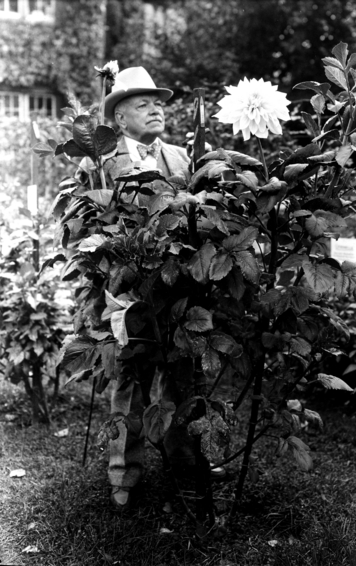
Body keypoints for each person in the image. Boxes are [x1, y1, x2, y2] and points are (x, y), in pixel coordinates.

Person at [102, 67, 225, 511]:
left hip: (178, 291)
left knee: (180, 379)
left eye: (158, 103)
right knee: (130, 382)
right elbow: (89, 230)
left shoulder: (181, 157)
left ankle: (183, 461)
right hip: (130, 291)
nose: (155, 109)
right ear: (119, 118)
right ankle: (123, 473)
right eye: (142, 103)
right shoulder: (99, 162)